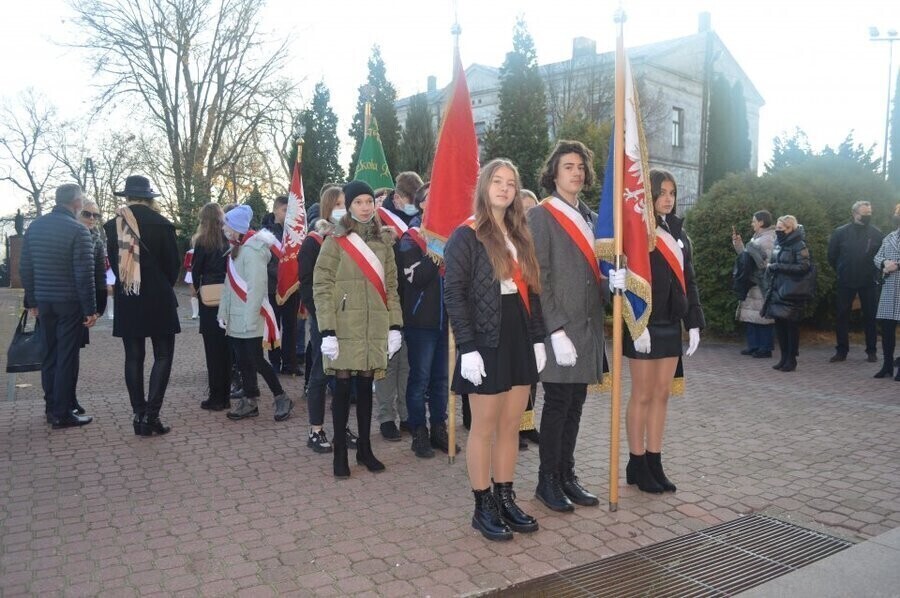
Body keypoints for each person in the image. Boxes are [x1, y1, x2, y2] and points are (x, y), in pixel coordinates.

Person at [444, 158, 546, 542]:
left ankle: (505, 496)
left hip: (518, 333)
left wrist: (537, 337)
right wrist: (467, 347)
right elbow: (453, 294)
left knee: (511, 424)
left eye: (511, 182)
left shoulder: (521, 235)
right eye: (497, 181)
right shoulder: (465, 236)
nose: (504, 188)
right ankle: (482, 504)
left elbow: (533, 292)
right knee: (483, 427)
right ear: (484, 187)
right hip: (484, 339)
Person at [528, 141, 615, 511]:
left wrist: (615, 282)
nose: (576, 172)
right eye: (568, 166)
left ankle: (566, 474)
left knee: (576, 403)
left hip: (588, 326)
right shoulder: (541, 216)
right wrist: (555, 330)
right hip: (559, 328)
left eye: (580, 166)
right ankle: (546, 480)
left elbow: (595, 271)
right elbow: (538, 277)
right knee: (558, 403)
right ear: (554, 172)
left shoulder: (592, 217)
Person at [313, 180, 403, 478]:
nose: (365, 207)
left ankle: (365, 449)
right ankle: (340, 452)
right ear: (348, 206)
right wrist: (327, 330)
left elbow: (391, 287)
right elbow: (322, 286)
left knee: (366, 388)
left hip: (373, 326)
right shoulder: (335, 240)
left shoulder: (384, 242)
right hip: (343, 327)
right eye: (358, 202)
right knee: (341, 390)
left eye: (369, 201)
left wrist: (394, 325)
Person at [624, 169, 704, 494]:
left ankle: (655, 460)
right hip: (644, 323)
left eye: (672, 192)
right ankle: (636, 460)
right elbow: (629, 279)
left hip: (670, 323)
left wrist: (694, 321)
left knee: (661, 395)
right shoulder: (638, 231)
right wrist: (635, 322)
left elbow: (690, 281)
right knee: (641, 395)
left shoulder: (680, 235)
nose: (668, 198)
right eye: (662, 192)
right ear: (649, 195)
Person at [104, 175, 181, 436]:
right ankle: (151, 416)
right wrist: (160, 283)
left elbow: (115, 266)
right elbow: (173, 266)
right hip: (158, 296)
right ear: (149, 198)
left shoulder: (112, 226)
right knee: (163, 355)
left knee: (133, 357)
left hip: (129, 296)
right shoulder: (162, 225)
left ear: (127, 196)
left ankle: (138, 414)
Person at [21, 183, 98, 428]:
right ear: (76, 202)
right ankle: (63, 413)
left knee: (49, 354)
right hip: (69, 302)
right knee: (66, 356)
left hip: (44, 301)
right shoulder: (78, 231)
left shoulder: (35, 227)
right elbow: (84, 275)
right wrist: (90, 309)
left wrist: (31, 300)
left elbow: (26, 267)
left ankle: (51, 406)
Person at [218, 205, 293, 422]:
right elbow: (228, 284)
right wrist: (224, 311)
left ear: (236, 228)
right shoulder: (236, 247)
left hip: (249, 317)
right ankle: (250, 400)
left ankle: (281, 396)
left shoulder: (251, 251)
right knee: (243, 360)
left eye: (227, 225)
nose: (224, 228)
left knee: (256, 360)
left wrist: (250, 319)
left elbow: (256, 288)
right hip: (236, 316)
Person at [399, 182, 454, 458]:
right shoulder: (410, 237)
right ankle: (418, 430)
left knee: (440, 380)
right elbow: (417, 277)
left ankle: (439, 428)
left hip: (448, 322)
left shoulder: (454, 234)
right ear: (421, 204)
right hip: (421, 322)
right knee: (419, 379)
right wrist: (437, 248)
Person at [374, 172, 422, 441]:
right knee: (387, 364)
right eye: (410, 200)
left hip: (411, 303)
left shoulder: (414, 222)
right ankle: (385, 417)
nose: (414, 204)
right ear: (398, 198)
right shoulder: (381, 221)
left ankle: (406, 415)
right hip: (387, 301)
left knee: (407, 365)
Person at [299, 184, 343, 453]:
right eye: (338, 204)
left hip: (346, 317)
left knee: (344, 376)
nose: (343, 209)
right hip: (323, 319)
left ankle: (341, 426)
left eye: (344, 204)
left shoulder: (349, 238)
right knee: (320, 373)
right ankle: (316, 430)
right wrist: (322, 319)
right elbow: (307, 285)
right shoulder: (313, 242)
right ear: (328, 207)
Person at [827, 201, 883, 363]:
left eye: (869, 212)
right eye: (864, 213)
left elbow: (881, 256)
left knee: (870, 317)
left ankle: (871, 351)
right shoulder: (840, 232)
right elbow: (832, 256)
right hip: (846, 280)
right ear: (854, 214)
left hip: (868, 281)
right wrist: (841, 270)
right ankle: (841, 350)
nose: (867, 216)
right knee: (842, 316)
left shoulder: (877, 233)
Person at [191, 203, 232, 410]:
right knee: (226, 350)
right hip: (229, 295)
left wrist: (198, 289)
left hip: (208, 299)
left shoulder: (202, 242)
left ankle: (216, 397)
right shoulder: (229, 240)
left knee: (212, 351)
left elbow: (196, 270)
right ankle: (226, 394)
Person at [762, 215, 812, 373]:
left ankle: (791, 359)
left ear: (790, 228)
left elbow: (804, 267)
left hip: (792, 291)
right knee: (780, 325)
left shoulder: (799, 245)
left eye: (781, 229)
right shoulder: (778, 242)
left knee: (791, 326)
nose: (778, 231)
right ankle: (783, 357)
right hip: (777, 288)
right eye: (777, 228)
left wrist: (779, 266)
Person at [73, 200, 109, 416]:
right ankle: (58, 403)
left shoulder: (96, 238)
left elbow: (98, 276)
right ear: (77, 212)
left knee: (70, 354)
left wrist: (98, 308)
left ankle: (66, 399)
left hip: (78, 303)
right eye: (88, 214)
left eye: (96, 216)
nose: (92, 219)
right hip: (67, 302)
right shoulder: (74, 235)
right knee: (56, 355)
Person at [262, 195, 302, 376]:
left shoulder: (295, 231)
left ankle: (290, 362)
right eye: (285, 210)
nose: (287, 214)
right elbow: (264, 262)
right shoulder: (265, 234)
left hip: (291, 287)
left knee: (291, 326)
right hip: (272, 287)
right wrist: (280, 275)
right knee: (273, 325)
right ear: (275, 210)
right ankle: (275, 361)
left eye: (290, 211)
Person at [732, 210, 776, 357]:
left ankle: (765, 348)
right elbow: (747, 258)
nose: (752, 223)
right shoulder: (758, 238)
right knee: (753, 315)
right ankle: (754, 345)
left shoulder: (767, 239)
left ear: (761, 222)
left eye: (754, 221)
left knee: (762, 316)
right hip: (754, 283)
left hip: (761, 283)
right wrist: (739, 244)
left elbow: (763, 262)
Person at [517, 188, 540, 450]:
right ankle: (513, 429)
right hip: (516, 312)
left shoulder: (538, 236)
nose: (527, 213)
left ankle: (527, 423)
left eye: (532, 208)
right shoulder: (512, 238)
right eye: (523, 207)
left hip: (536, 311)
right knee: (518, 378)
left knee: (533, 377)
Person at [872, 203, 900, 380]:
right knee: (887, 330)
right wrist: (883, 263)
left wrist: (896, 265)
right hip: (890, 289)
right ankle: (887, 365)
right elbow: (877, 256)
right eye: (897, 212)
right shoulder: (890, 236)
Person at [184, 247, 199, 319]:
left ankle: (201, 312)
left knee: (203, 293)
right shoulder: (190, 252)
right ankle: (195, 313)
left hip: (203, 273)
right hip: (192, 273)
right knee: (194, 293)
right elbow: (186, 264)